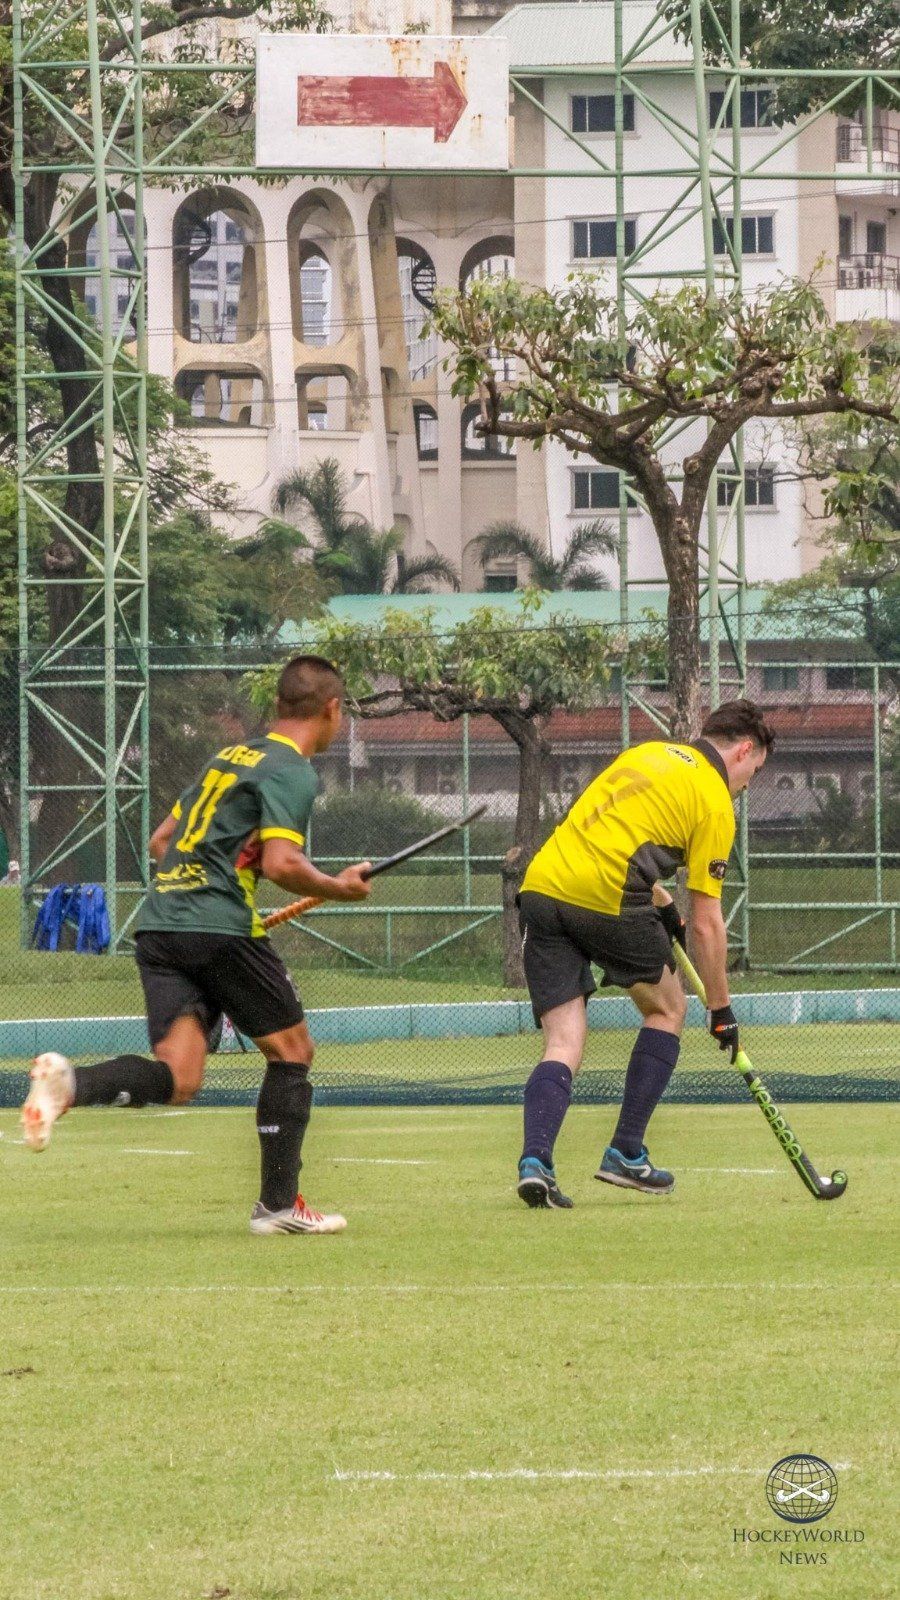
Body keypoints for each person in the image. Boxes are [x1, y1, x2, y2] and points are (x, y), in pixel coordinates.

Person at [21, 654, 372, 1236]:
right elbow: (284, 863)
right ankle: (278, 1208)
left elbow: (164, 843)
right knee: (293, 1052)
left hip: (160, 924)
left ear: (280, 704)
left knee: (179, 1077)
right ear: (332, 710)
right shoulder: (293, 770)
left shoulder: (229, 759)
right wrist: (336, 887)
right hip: (218, 927)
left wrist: (223, 875)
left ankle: (70, 1083)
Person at [514, 699, 774, 1208]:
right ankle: (626, 1152)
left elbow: (606, 833)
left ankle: (535, 1162)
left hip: (542, 887)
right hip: (605, 894)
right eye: (755, 773)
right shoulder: (716, 802)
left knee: (564, 1039)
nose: (747, 786)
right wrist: (721, 1010)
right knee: (669, 1006)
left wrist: (662, 908)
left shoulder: (648, 753)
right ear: (744, 751)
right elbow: (706, 923)